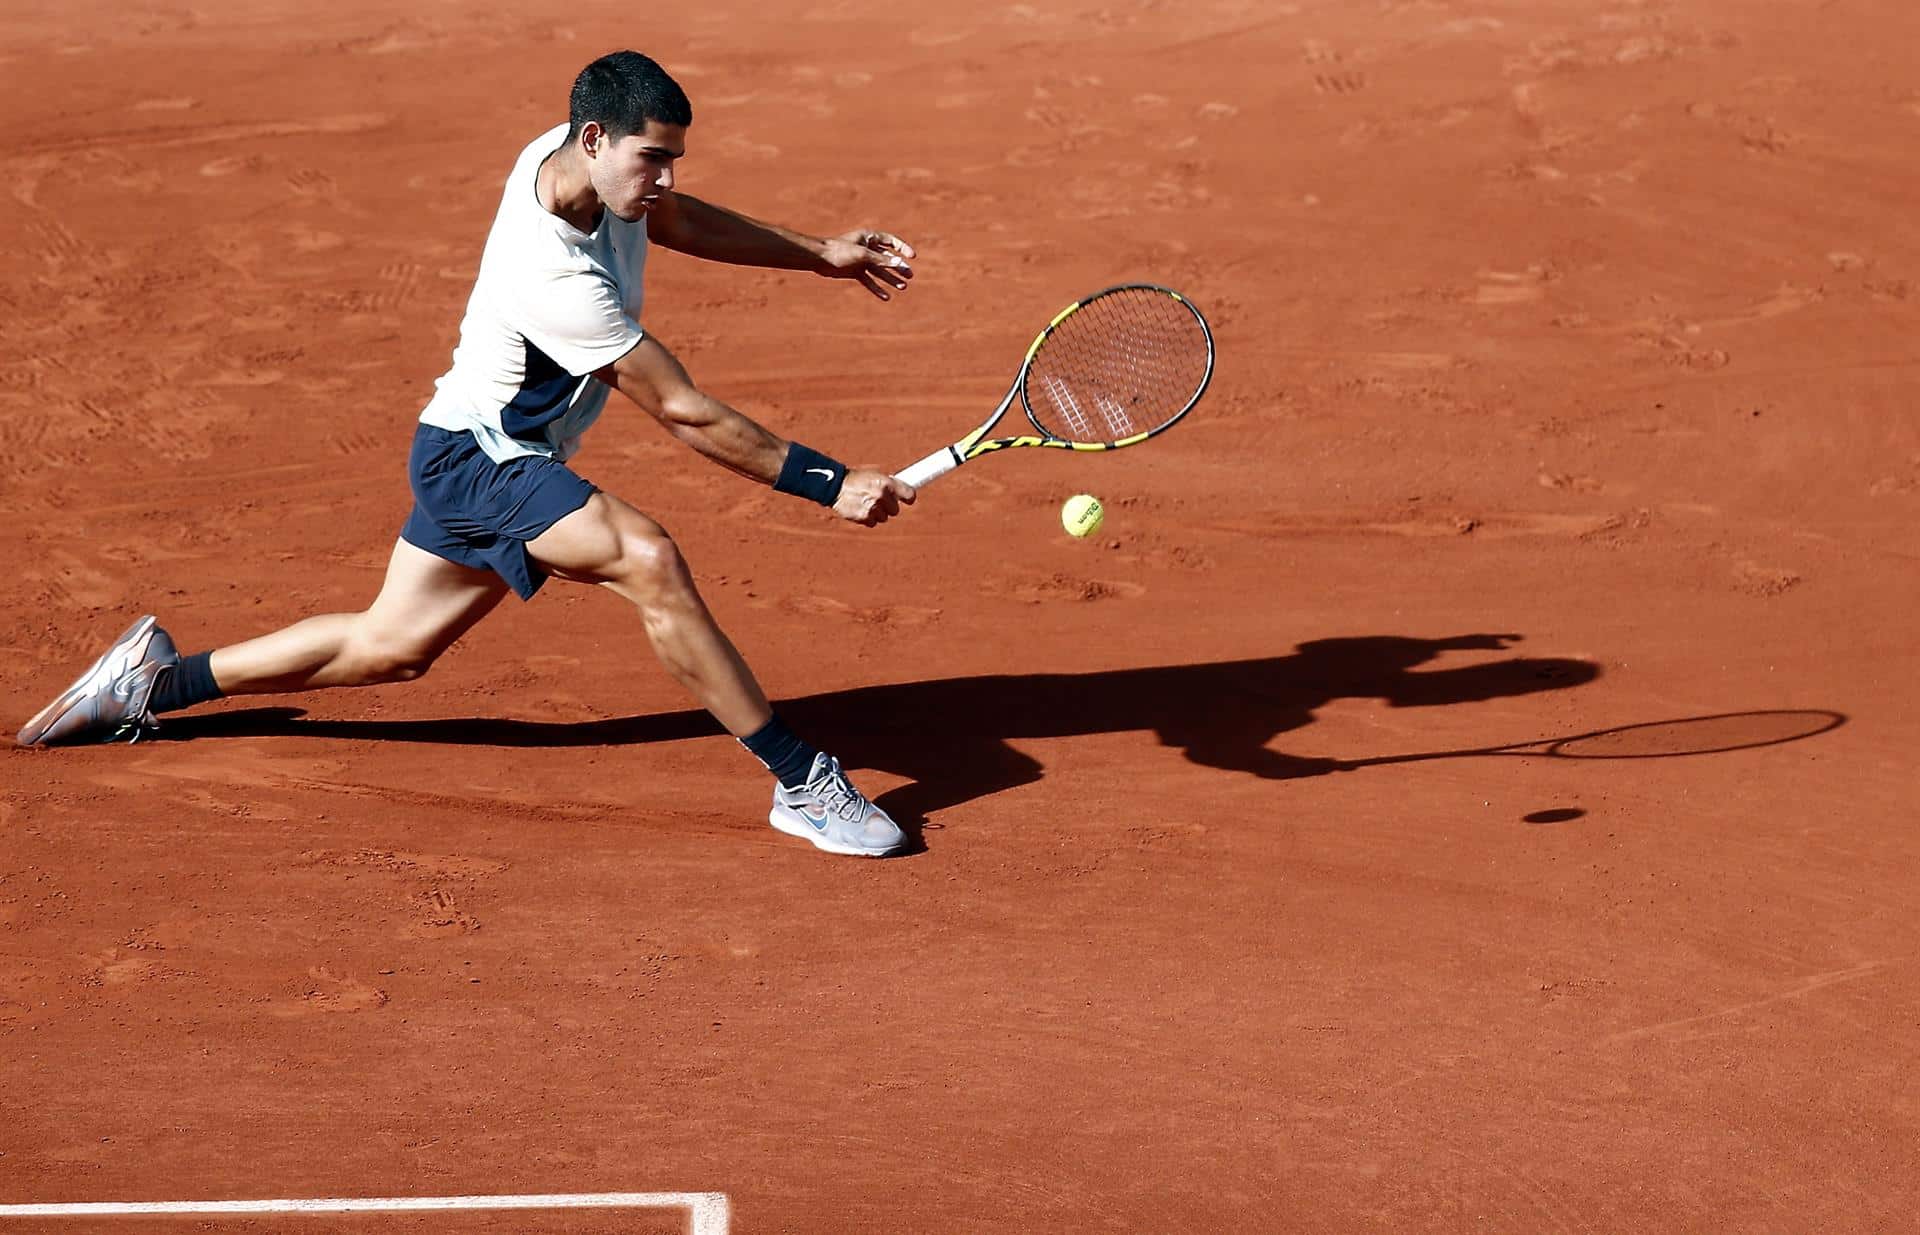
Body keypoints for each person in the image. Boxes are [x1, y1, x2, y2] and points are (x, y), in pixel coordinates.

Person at [16, 50, 921, 858]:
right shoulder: (553, 274)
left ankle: (155, 683)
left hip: (466, 445)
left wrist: (818, 254)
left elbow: (675, 220)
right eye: (653, 157)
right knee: (647, 559)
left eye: (674, 156)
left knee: (389, 648)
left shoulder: (574, 159)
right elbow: (682, 411)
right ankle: (801, 782)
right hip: (487, 459)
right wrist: (827, 481)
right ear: (596, 137)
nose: (666, 177)